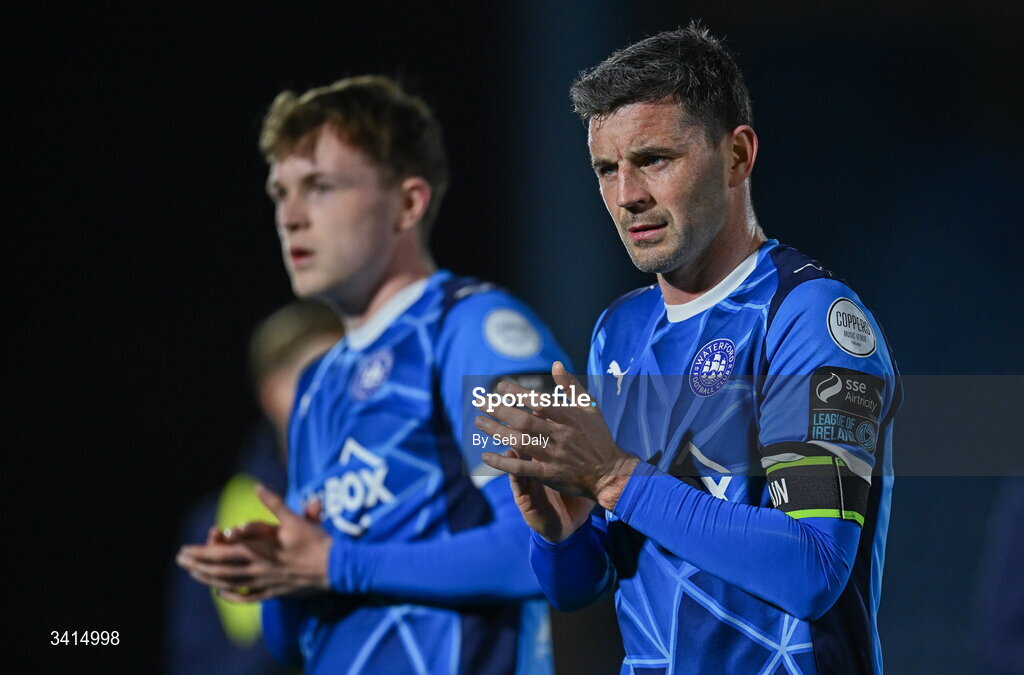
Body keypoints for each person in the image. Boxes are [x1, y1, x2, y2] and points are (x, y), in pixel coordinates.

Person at [477, 24, 902, 674]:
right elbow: (581, 585)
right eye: (606, 169)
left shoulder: (807, 317)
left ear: (737, 156)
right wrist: (557, 531)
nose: (627, 195)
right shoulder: (618, 331)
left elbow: (814, 567)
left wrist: (616, 476)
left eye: (654, 159)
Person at [176, 76, 568, 674]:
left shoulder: (481, 332)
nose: (290, 218)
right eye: (280, 193)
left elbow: (549, 553)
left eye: (320, 187)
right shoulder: (315, 386)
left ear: (408, 203)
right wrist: (280, 576)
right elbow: (296, 645)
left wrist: (335, 565)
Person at [166, 300, 342, 675]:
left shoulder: (398, 490)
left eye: (350, 375)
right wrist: (304, 586)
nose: (339, 394)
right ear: (273, 392)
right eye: (318, 375)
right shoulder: (216, 519)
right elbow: (199, 665)